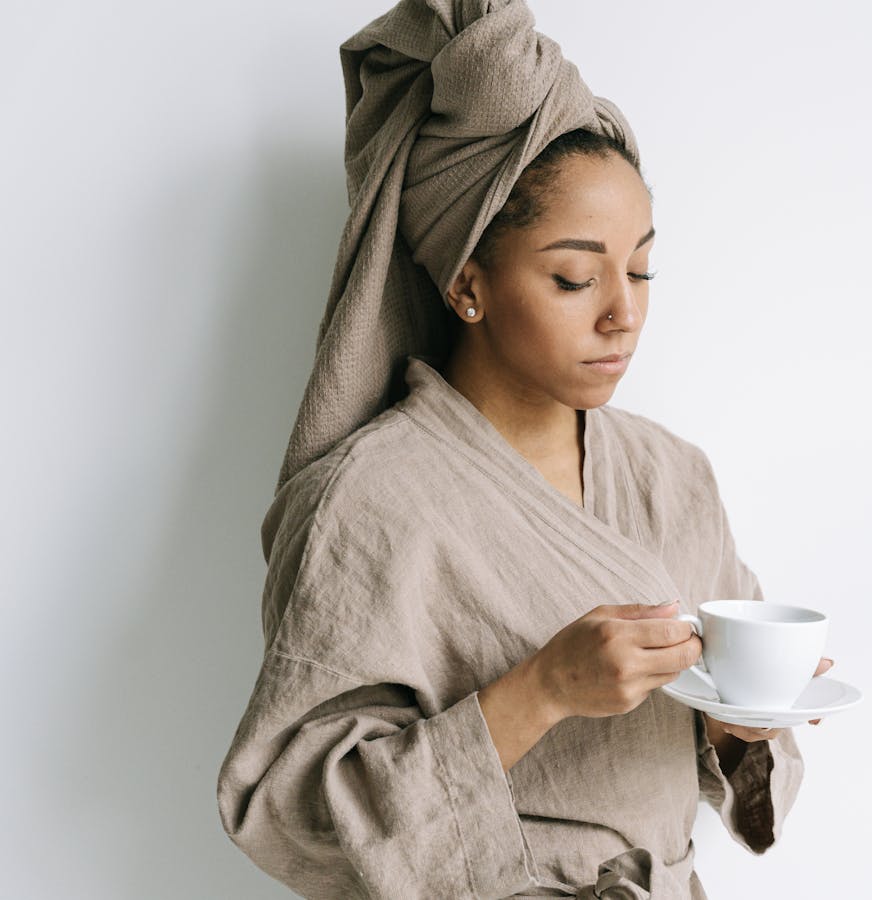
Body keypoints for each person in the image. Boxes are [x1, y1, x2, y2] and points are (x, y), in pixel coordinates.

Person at [216, 2, 833, 898]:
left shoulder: (675, 477)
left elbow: (734, 749)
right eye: (576, 278)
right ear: (469, 284)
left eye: (643, 269)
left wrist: (742, 728)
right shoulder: (373, 497)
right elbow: (287, 810)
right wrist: (540, 689)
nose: (624, 312)